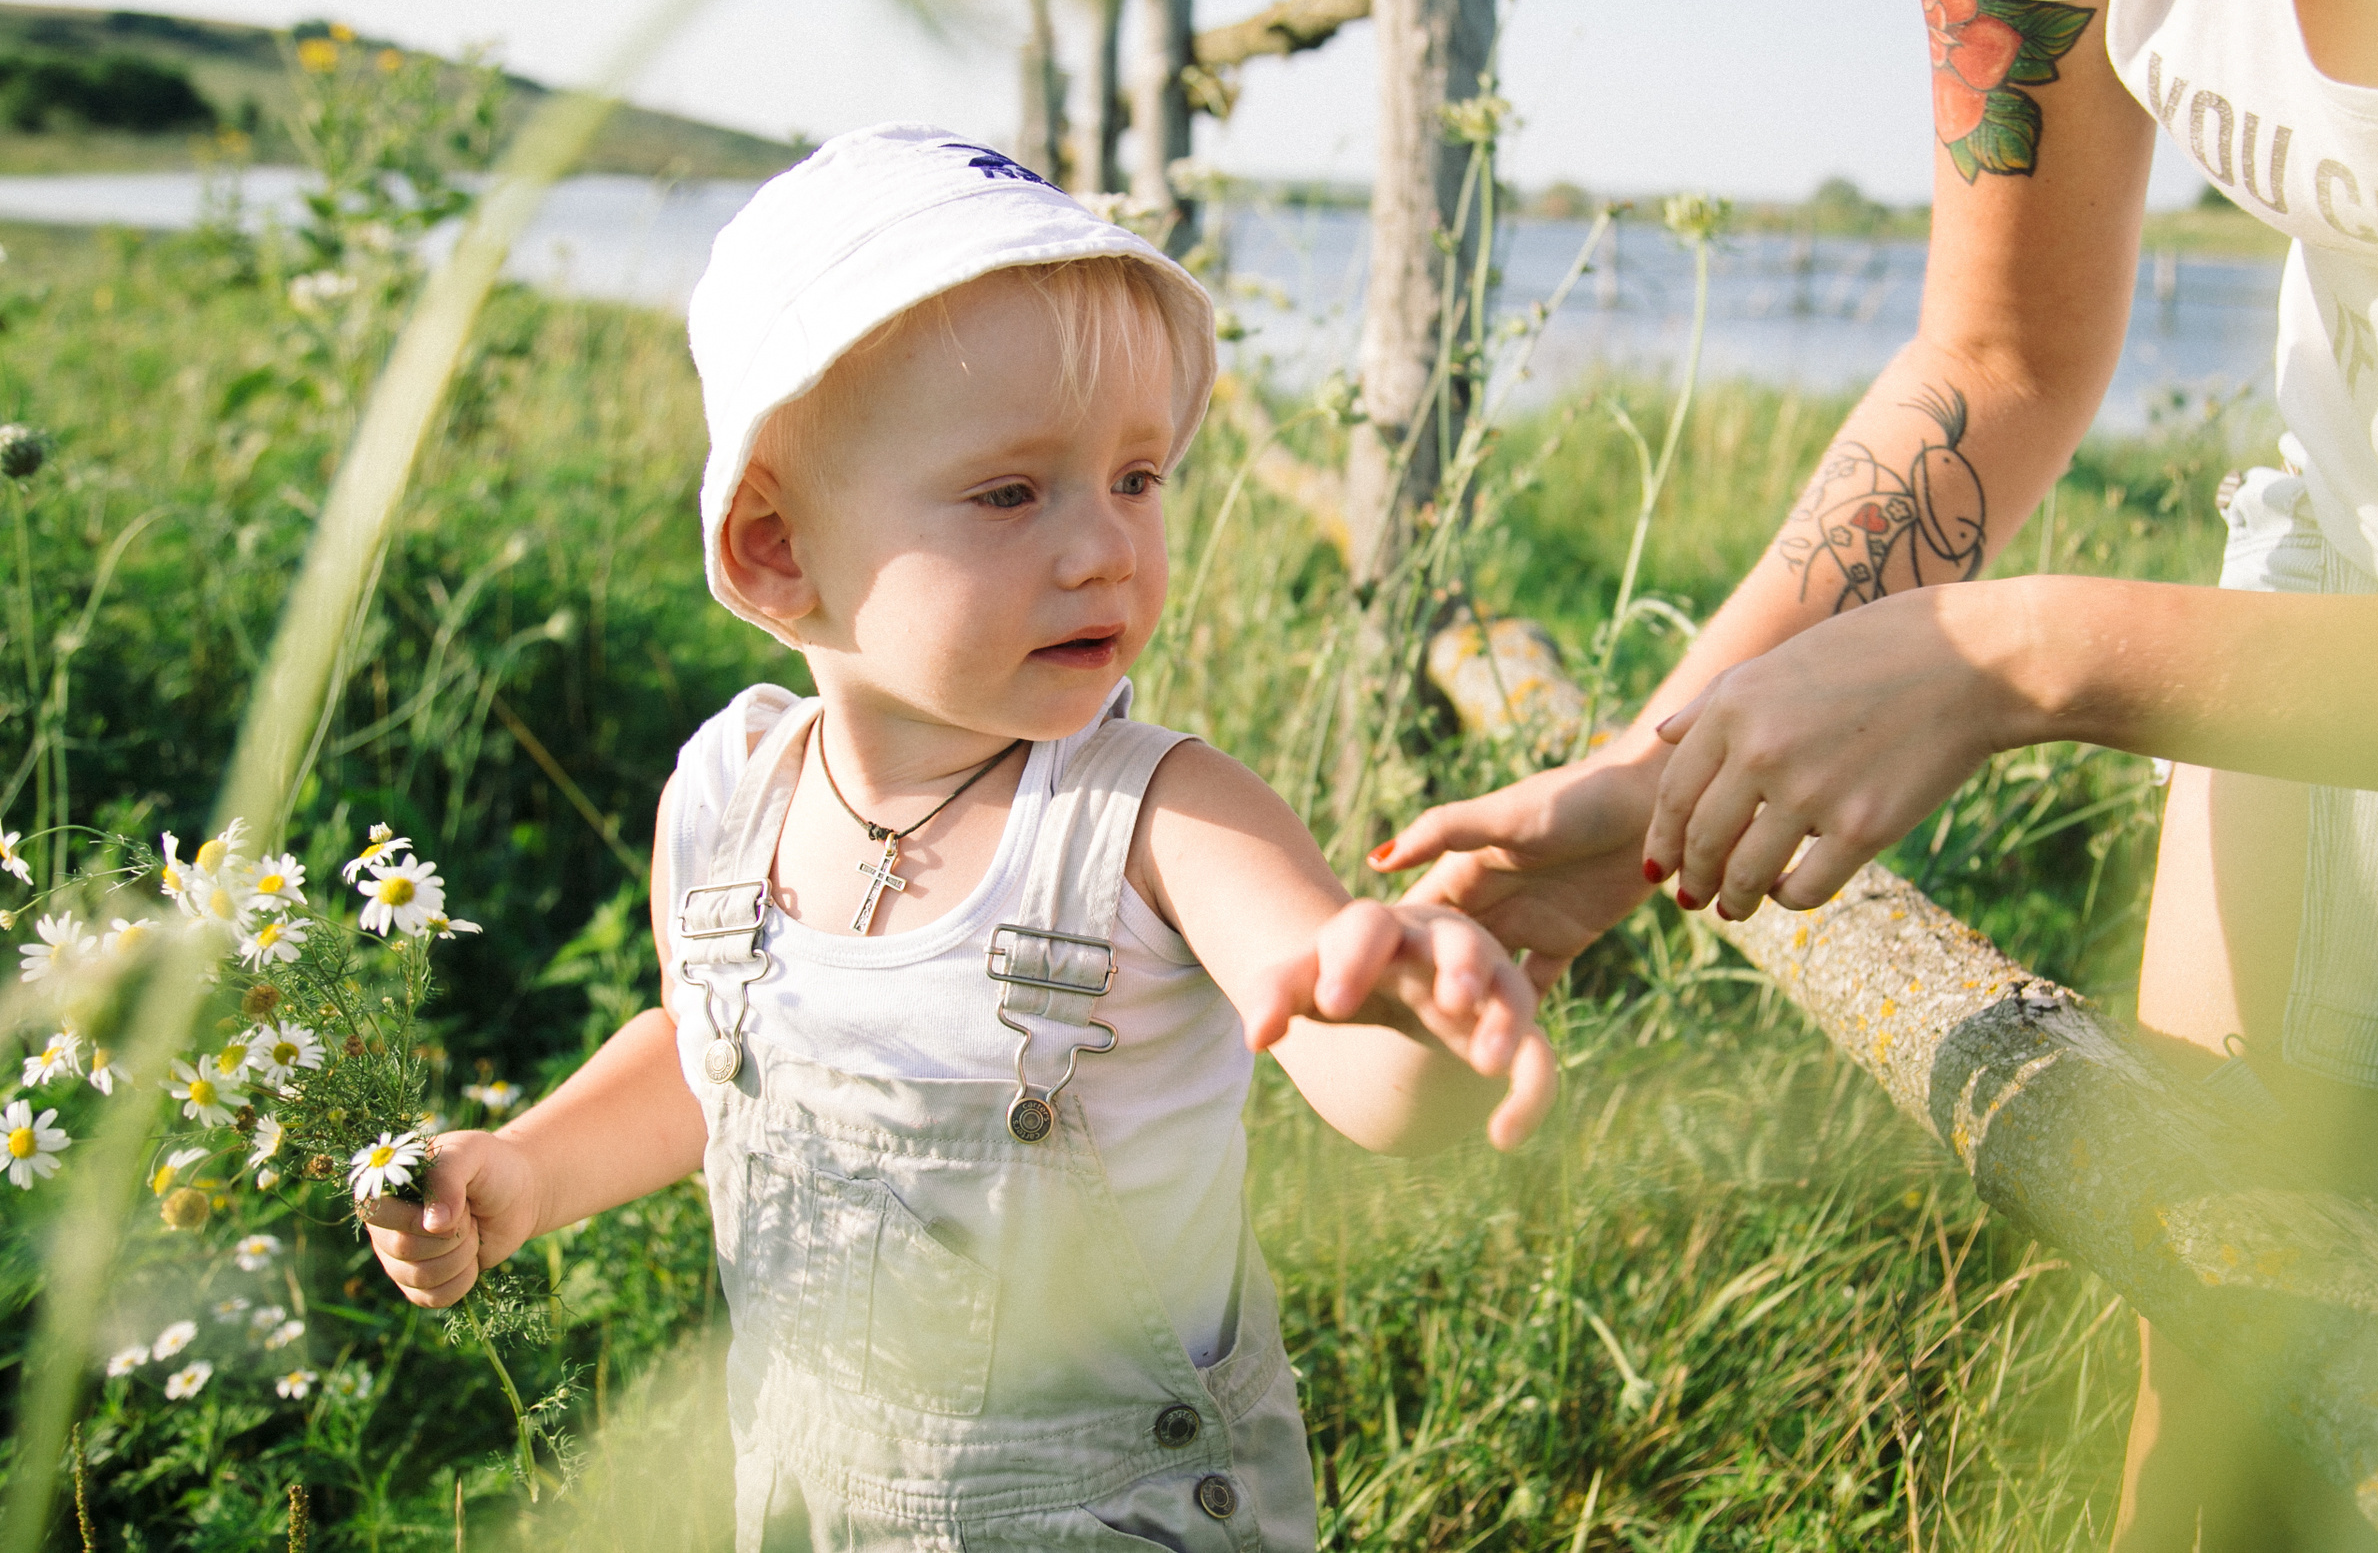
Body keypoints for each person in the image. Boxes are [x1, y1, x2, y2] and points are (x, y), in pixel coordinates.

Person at [1370, 0, 2378, 1546]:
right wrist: (1656, 780)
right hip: (2345, 589)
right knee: (2229, 1427)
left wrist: (2044, 657)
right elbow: (1997, 353)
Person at [359, 125, 1557, 1551]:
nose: (1104, 546)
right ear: (776, 552)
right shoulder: (730, 793)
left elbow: (1362, 1074)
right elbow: (709, 1064)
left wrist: (1413, 998)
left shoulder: (1160, 815)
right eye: (1010, 492)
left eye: (1136, 477)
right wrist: (532, 1168)